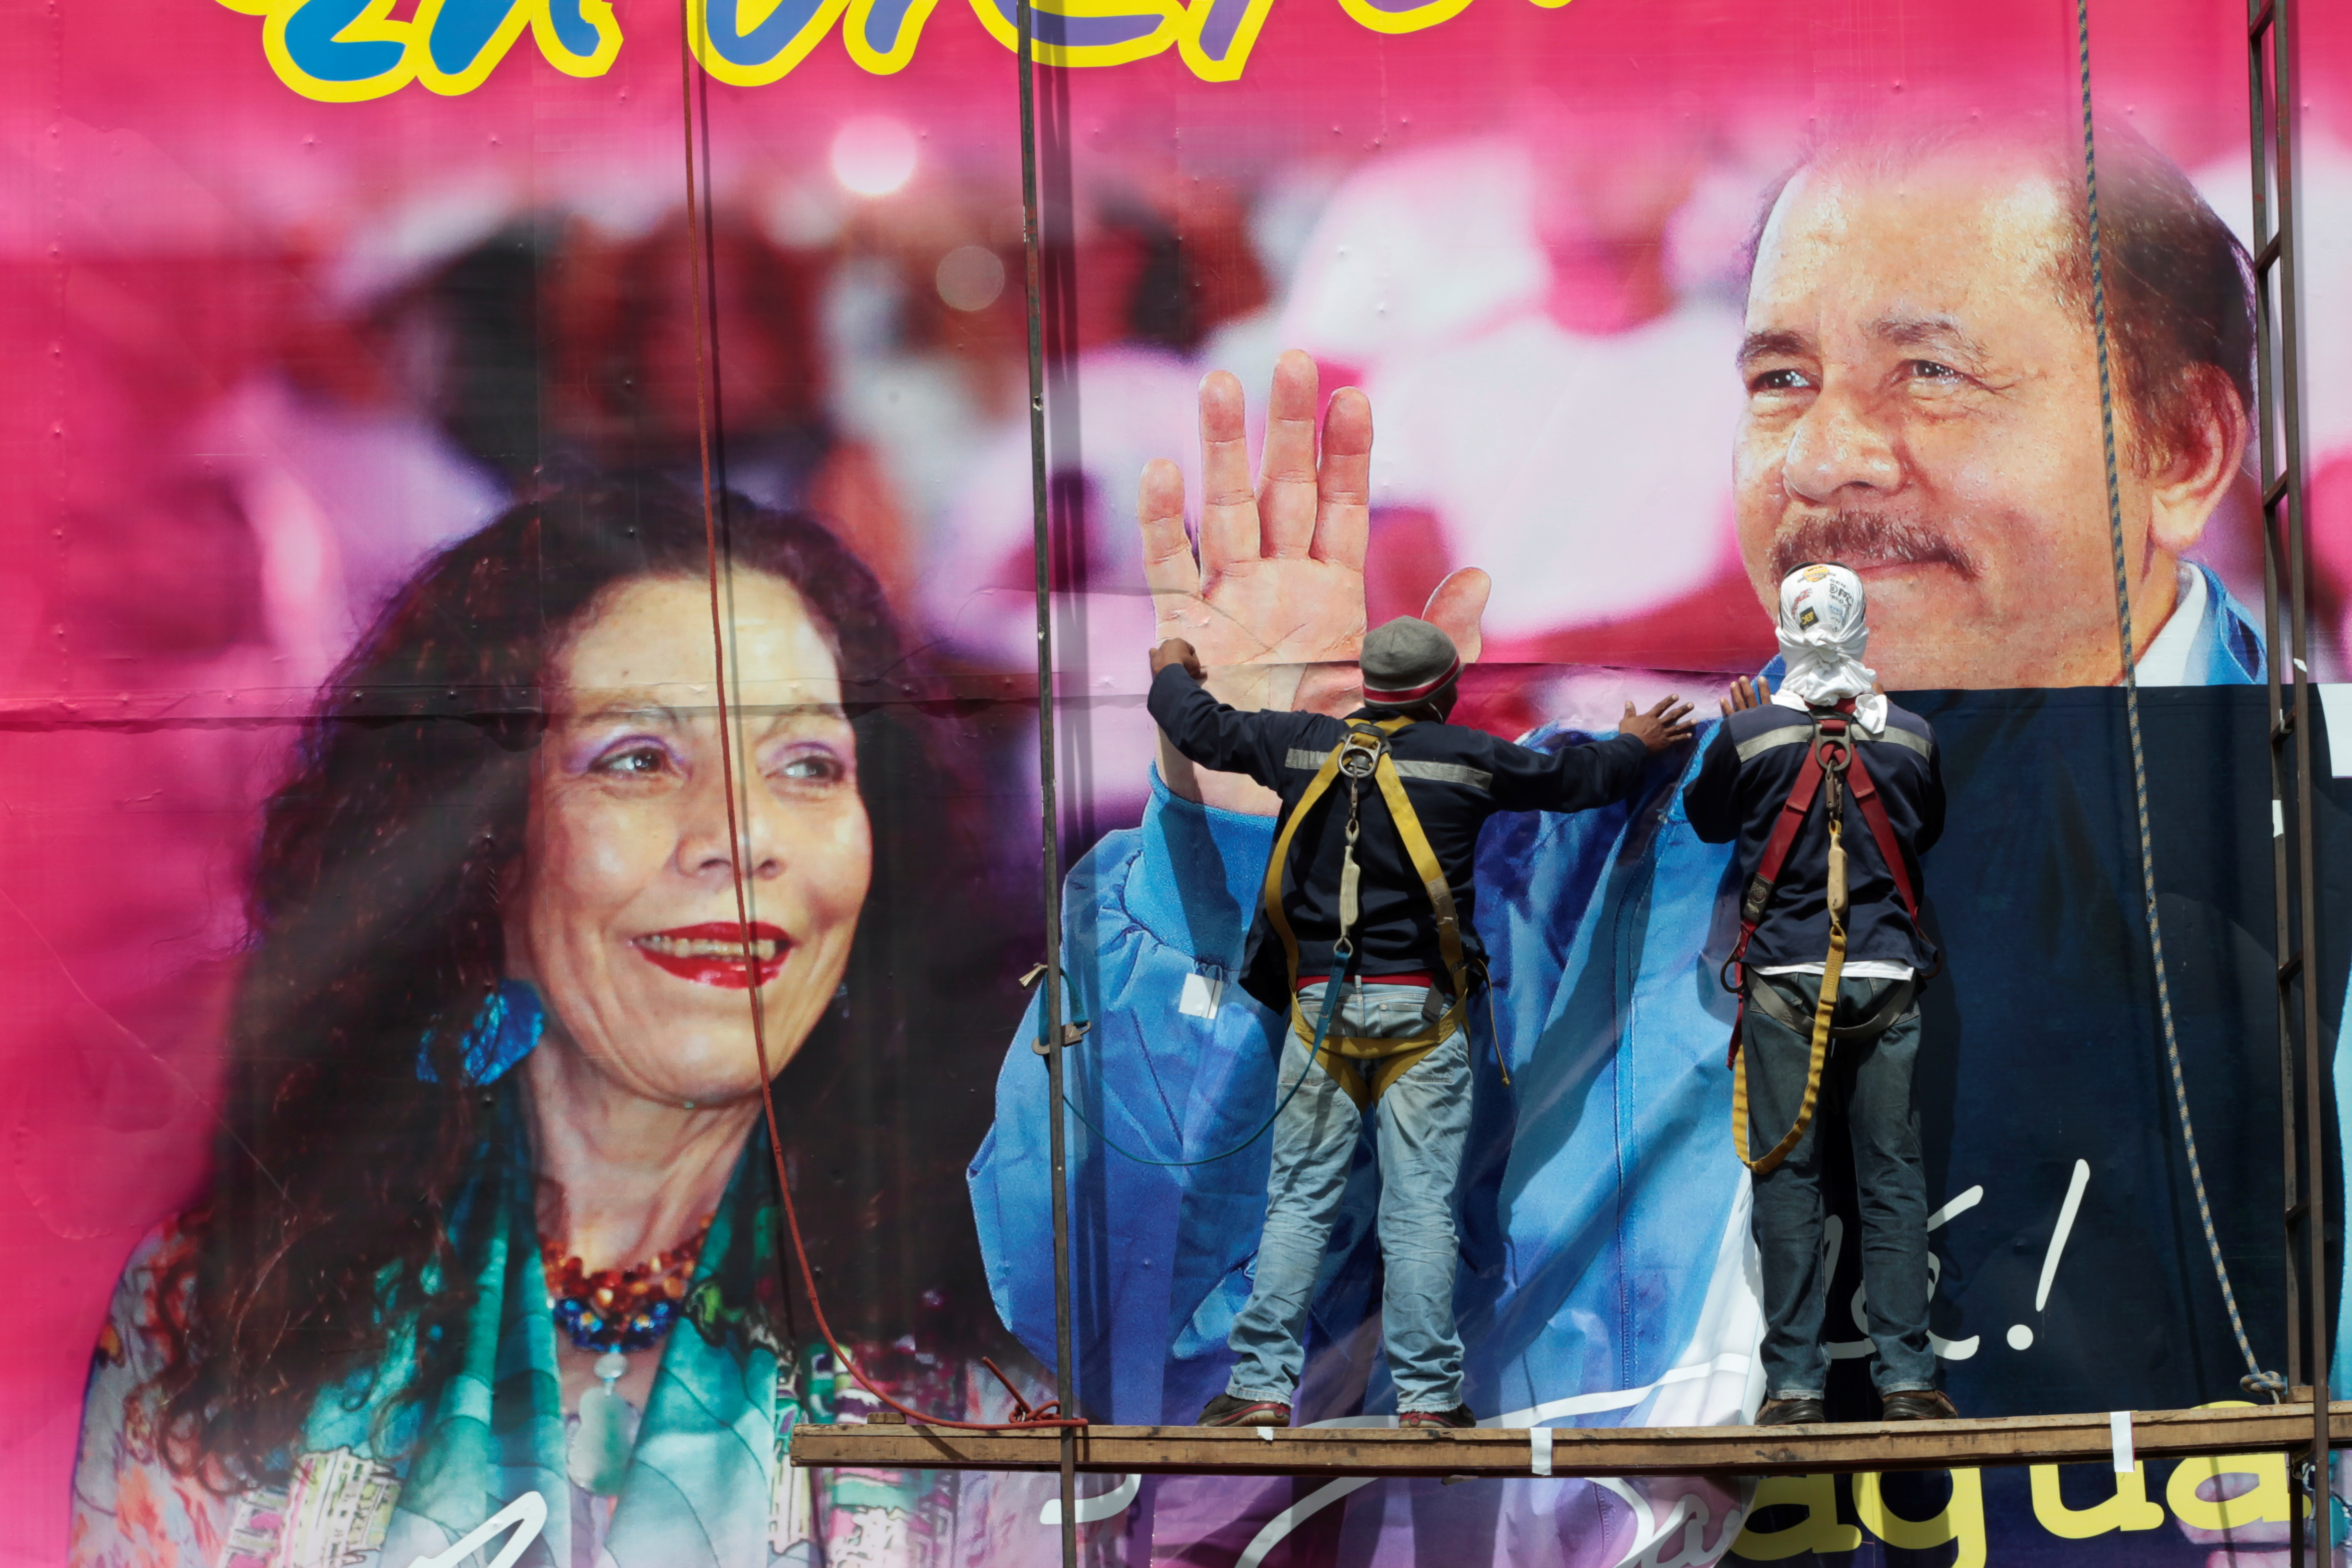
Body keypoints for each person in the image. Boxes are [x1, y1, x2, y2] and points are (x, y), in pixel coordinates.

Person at [971, 107, 2276, 1562]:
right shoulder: (1565, 868)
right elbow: (1155, 1347)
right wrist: (1240, 840)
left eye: (1930, 372)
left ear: (2182, 449)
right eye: (1782, 378)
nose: (1830, 456)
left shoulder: (2308, 851)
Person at [70, 482, 1053, 1568]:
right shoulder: (219, 1318)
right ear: (487, 846)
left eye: (808, 766)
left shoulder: (996, 1335)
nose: (741, 837)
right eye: (638, 759)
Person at [1147, 616, 1695, 1427]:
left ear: (1369, 686)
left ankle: (1260, 1390)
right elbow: (1573, 782)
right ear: (1445, 694)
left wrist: (1171, 666)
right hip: (1423, 1019)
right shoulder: (1467, 758)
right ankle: (1431, 1401)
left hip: (1318, 1012)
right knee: (1420, 1211)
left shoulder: (1299, 745)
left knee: (1298, 1203)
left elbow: (1199, 728)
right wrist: (1635, 743)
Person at [1682, 564, 1948, 1426]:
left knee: (1789, 1181)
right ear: (1861, 626)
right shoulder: (1912, 736)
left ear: (1788, 628)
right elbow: (1926, 829)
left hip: (1784, 985)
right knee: (1892, 1180)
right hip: (1885, 982)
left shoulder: (1750, 737)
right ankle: (1906, 1380)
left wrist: (1740, 737)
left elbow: (1708, 819)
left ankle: (1794, 1390)